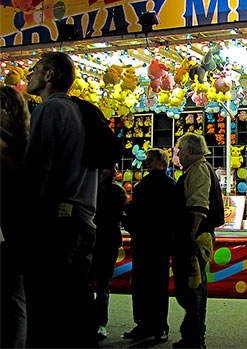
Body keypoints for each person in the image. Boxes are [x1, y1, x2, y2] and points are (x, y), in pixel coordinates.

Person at [23, 51, 99, 348]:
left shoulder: (50, 110)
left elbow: (37, 170)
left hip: (58, 222)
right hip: (83, 218)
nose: (30, 74)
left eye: (35, 69)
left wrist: (30, 217)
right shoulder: (81, 111)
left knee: (47, 307)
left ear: (50, 75)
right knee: (77, 301)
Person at [172, 134, 222, 349]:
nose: (178, 155)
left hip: (196, 237)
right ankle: (191, 335)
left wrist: (189, 237)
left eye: (180, 151)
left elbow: (198, 207)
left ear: (191, 151)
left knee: (193, 289)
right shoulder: (195, 170)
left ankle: (195, 338)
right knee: (190, 289)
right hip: (193, 236)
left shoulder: (199, 170)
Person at [123, 148, 176, 342]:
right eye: (147, 160)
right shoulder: (143, 185)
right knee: (141, 285)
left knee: (156, 285)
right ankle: (144, 324)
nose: (147, 163)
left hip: (156, 242)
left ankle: (159, 325)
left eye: (151, 160)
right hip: (146, 241)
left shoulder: (169, 186)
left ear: (163, 164)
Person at [0, 85, 30, 348]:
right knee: (15, 301)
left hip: (7, 234)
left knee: (10, 301)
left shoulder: (4, 148)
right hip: (20, 233)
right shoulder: (25, 146)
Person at [91, 164, 126, 340]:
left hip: (106, 241)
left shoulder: (117, 192)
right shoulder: (90, 187)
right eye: (109, 167)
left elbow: (111, 216)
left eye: (116, 168)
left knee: (103, 284)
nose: (114, 171)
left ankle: (100, 323)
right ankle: (89, 320)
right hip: (93, 240)